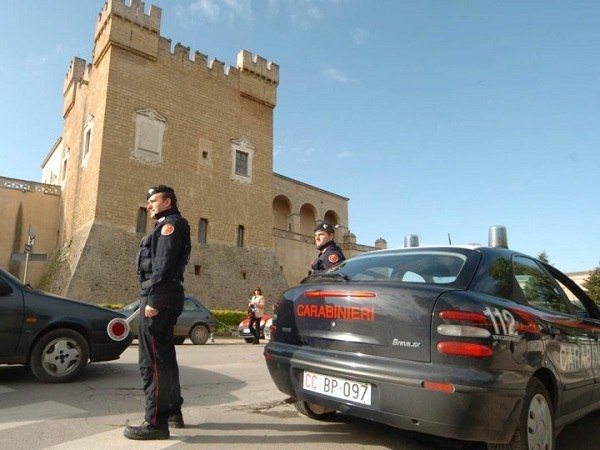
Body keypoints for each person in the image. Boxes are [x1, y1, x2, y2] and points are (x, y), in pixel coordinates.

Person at [124, 185, 191, 441]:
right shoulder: (167, 224)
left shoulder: (169, 225)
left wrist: (153, 299)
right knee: (165, 358)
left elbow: (163, 265)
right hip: (161, 295)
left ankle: (155, 422)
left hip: (157, 296)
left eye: (154, 200)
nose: (149, 204)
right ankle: (173, 411)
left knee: (152, 362)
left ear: (167, 202)